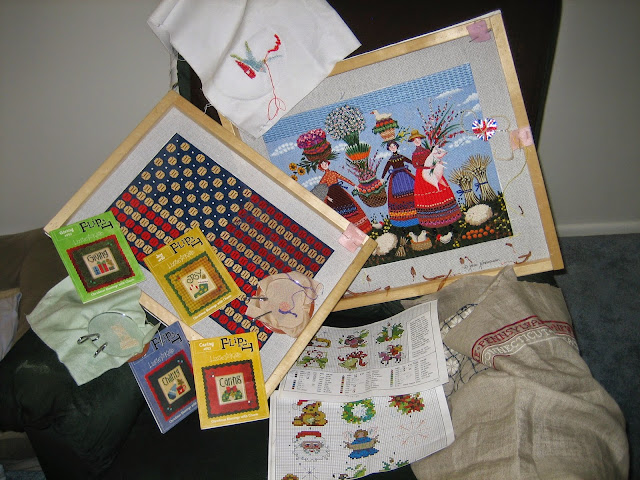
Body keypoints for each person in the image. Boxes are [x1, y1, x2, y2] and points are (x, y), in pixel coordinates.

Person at [408, 130, 461, 243]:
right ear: (413, 142)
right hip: (423, 177)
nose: (417, 141)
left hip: (433, 173)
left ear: (420, 139)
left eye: (418, 139)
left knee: (440, 195)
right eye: (414, 140)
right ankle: (435, 231)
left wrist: (436, 163)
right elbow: (415, 165)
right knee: (428, 199)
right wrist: (427, 167)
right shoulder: (415, 154)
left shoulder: (427, 150)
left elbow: (434, 158)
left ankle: (451, 226)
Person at [316, 160, 372, 234]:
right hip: (332, 195)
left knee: (350, 210)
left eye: (325, 163)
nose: (324, 165)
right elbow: (320, 189)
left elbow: (343, 178)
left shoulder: (333, 173)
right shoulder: (324, 177)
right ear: (321, 167)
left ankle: (361, 228)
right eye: (322, 164)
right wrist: (327, 197)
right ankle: (350, 232)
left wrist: (354, 185)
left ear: (328, 163)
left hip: (340, 193)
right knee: (340, 213)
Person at [381, 141, 418, 227]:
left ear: (397, 146)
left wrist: (418, 165)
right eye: (391, 146)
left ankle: (417, 212)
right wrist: (382, 178)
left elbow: (410, 162)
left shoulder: (401, 156)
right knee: (397, 195)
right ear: (389, 149)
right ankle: (403, 216)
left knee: (413, 190)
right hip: (396, 178)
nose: (393, 147)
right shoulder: (390, 159)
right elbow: (386, 168)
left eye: (394, 145)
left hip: (405, 176)